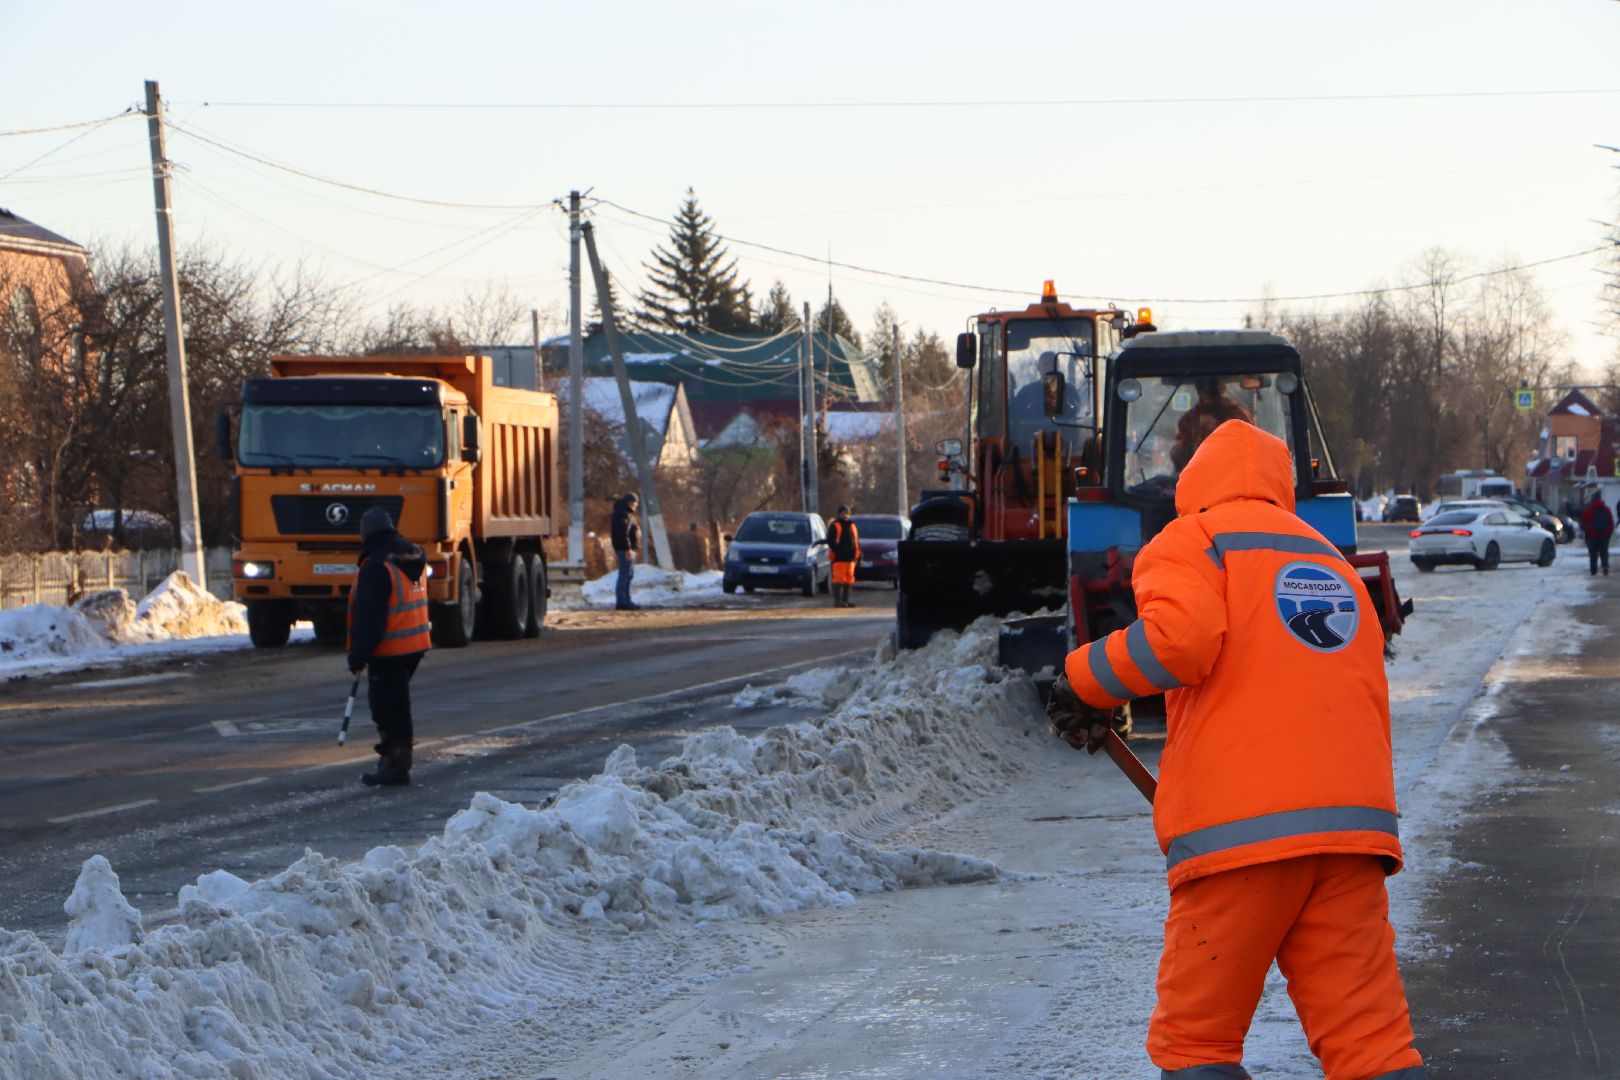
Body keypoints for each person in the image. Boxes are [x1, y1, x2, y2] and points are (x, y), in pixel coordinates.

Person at [1047, 420, 1425, 1079]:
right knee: (1373, 1046)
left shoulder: (1194, 539)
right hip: (1350, 838)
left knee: (1195, 1046)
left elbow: (1179, 643)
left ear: (1195, 483)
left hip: (1242, 841)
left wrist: (1082, 679)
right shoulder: (1329, 563)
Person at [346, 507, 431, 787]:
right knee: (395, 705)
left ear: (366, 533)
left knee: (387, 708)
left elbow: (371, 619)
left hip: (391, 649)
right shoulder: (410, 557)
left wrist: (358, 655)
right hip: (413, 645)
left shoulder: (376, 567)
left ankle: (395, 765)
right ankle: (394, 761)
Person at [611, 492, 641, 610]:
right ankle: (622, 601)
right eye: (634, 503)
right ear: (629, 502)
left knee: (628, 575)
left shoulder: (625, 513)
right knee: (625, 575)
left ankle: (626, 600)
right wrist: (627, 547)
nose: (635, 505)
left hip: (627, 549)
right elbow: (623, 532)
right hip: (625, 549)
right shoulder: (623, 514)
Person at [826, 506, 860, 608]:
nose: (845, 515)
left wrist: (858, 554)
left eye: (847, 513)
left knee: (849, 579)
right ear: (839, 514)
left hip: (850, 558)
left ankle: (846, 600)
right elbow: (831, 541)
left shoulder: (852, 525)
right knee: (838, 579)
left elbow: (856, 541)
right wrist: (838, 551)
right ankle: (838, 601)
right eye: (843, 513)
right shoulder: (835, 525)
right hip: (839, 558)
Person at [1582, 490, 1613, 576]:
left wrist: (1587, 533)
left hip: (1592, 536)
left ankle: (1593, 570)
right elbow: (1611, 522)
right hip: (1604, 536)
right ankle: (1605, 566)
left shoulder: (1588, 510)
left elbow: (1584, 522)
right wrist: (1608, 534)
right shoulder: (1606, 510)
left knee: (1593, 554)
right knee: (1604, 552)